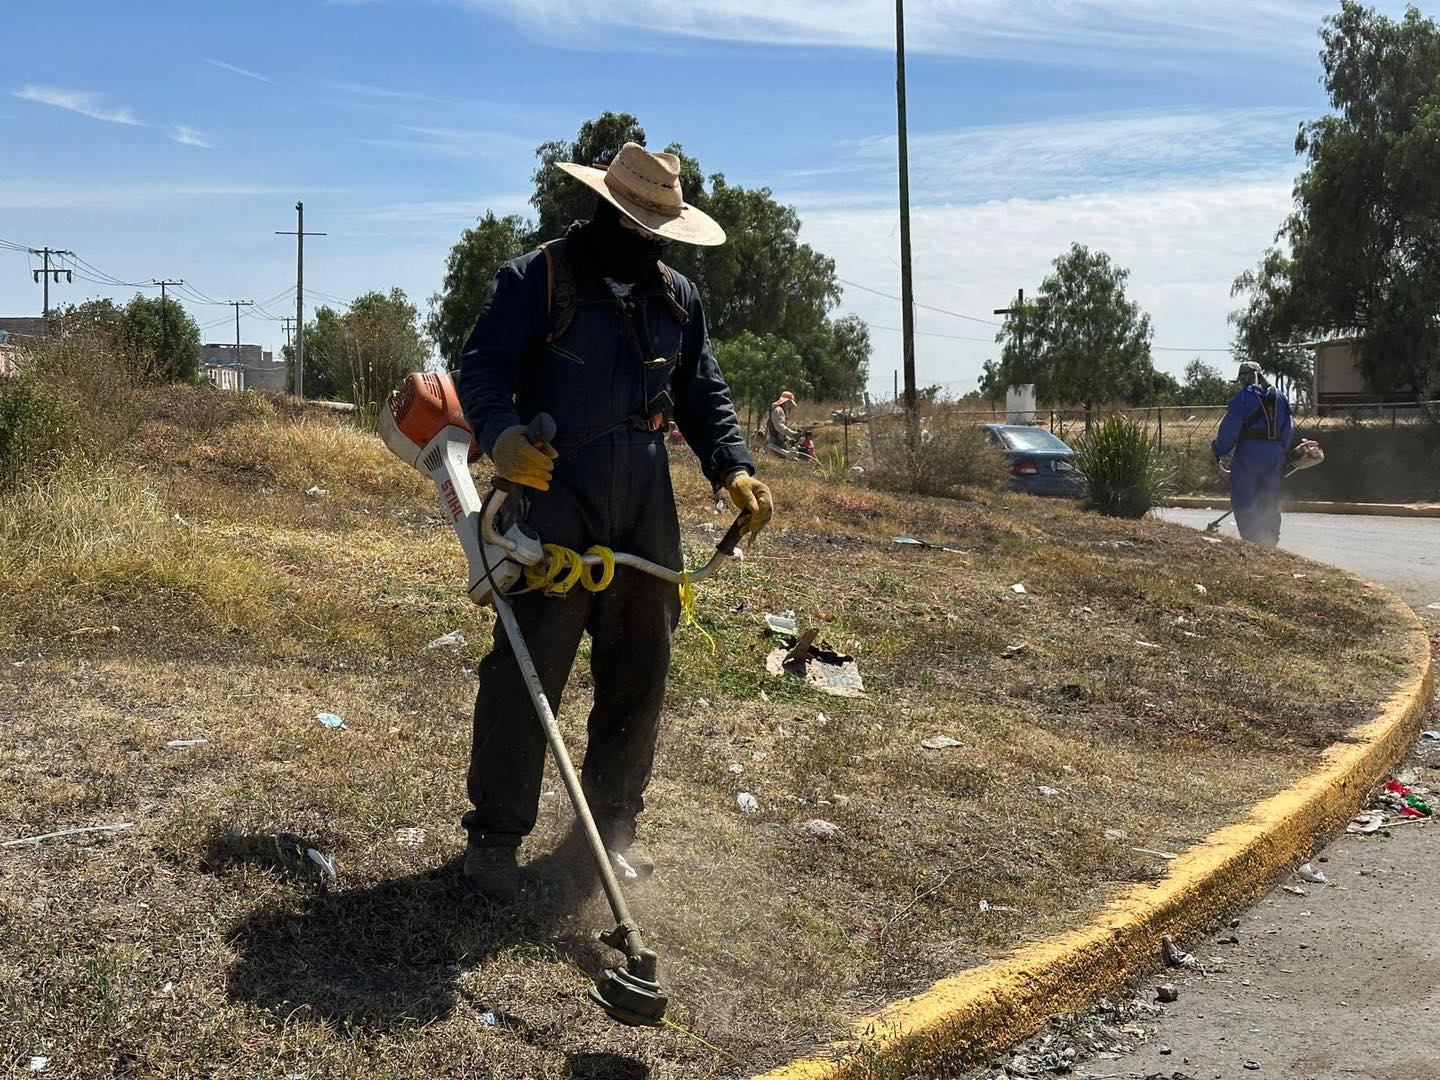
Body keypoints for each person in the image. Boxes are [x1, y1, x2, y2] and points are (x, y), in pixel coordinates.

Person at [455, 143, 774, 902]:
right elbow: (482, 368)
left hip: (644, 501)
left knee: (640, 672)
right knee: (528, 671)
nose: (652, 240)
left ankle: (610, 832)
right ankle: (495, 841)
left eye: (662, 228)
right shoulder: (537, 280)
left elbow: (703, 391)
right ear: (607, 212)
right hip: (551, 493)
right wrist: (500, 436)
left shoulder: (677, 299)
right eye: (641, 225)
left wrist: (732, 466)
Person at [1211, 361, 1293, 546]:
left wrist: (1218, 449)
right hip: (1275, 454)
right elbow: (1288, 428)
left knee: (1244, 496)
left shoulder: (1243, 398)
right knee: (1270, 496)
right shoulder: (1280, 397)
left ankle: (1251, 540)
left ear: (1245, 378)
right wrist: (1281, 452)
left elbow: (1230, 429)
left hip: (1250, 454)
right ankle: (1270, 538)